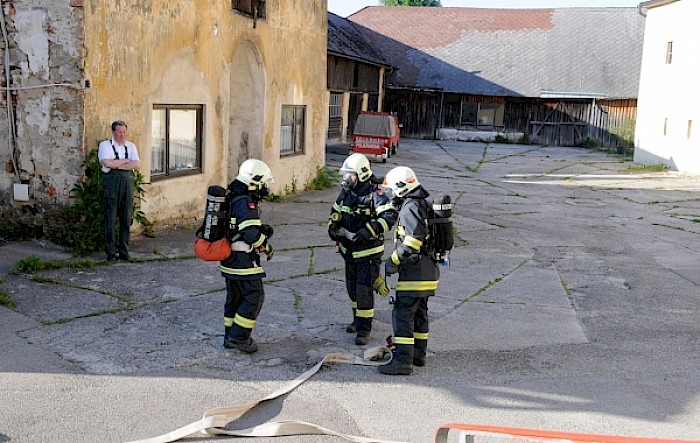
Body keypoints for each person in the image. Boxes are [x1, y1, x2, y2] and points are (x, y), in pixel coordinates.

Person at [327, 153, 397, 345]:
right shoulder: (346, 193)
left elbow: (389, 217)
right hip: (348, 251)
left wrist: (367, 231)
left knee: (363, 290)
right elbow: (334, 214)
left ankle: (364, 330)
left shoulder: (376, 194)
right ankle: (357, 321)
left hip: (368, 251)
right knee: (351, 288)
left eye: (349, 174)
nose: (345, 178)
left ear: (361, 174)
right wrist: (333, 230)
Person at [379, 166, 440, 375]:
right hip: (428, 272)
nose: (390, 195)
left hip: (415, 273)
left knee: (402, 315)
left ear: (400, 188)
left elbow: (413, 241)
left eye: (391, 190)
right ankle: (418, 355)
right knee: (420, 314)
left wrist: (392, 261)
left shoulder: (410, 207)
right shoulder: (422, 203)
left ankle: (403, 361)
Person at [221, 158, 275, 354]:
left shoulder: (233, 196)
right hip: (243, 259)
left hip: (228, 259)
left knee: (234, 297)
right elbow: (250, 235)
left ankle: (230, 333)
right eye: (262, 183)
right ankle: (239, 337)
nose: (264, 188)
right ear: (254, 182)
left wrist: (261, 229)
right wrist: (266, 246)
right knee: (254, 296)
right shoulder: (246, 202)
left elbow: (240, 226)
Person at [98, 120, 141, 261]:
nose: (122, 135)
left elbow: (137, 164)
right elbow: (106, 163)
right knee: (110, 218)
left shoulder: (131, 146)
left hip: (127, 184)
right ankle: (110, 252)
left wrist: (117, 164)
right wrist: (125, 162)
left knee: (126, 217)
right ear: (113, 132)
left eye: (124, 132)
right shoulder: (105, 145)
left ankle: (124, 251)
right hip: (111, 184)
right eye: (119, 132)